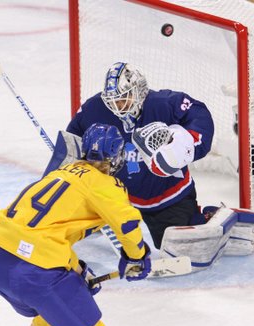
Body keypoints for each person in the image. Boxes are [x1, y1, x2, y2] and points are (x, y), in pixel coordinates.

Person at [0, 123, 151, 326]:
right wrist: (137, 256)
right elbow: (128, 223)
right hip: (37, 274)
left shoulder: (60, 172)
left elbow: (44, 231)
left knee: (47, 319)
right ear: (116, 157)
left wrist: (75, 269)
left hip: (0, 263)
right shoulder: (104, 183)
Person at [44, 61, 215, 249]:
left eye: (123, 98)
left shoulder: (163, 104)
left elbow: (199, 113)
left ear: (138, 91)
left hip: (166, 196)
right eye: (113, 101)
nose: (118, 106)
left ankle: (207, 217)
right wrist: (65, 165)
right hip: (115, 196)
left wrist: (187, 143)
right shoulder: (93, 109)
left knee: (182, 249)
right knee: (71, 227)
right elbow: (74, 143)